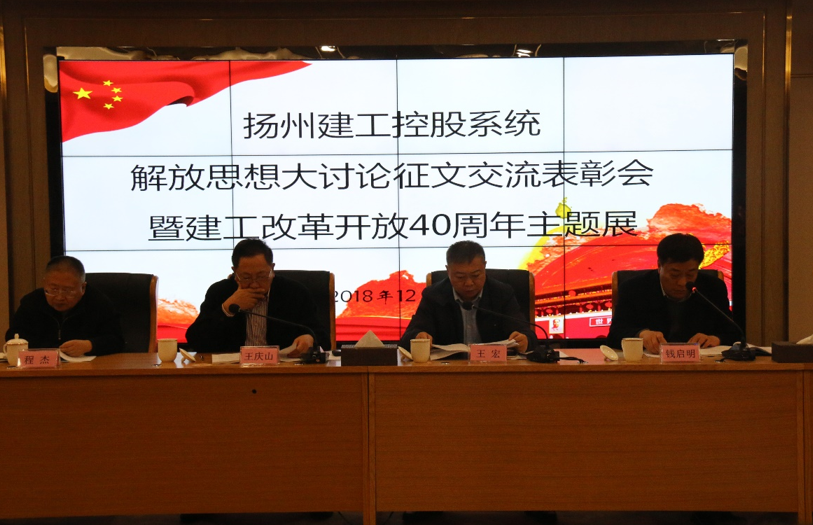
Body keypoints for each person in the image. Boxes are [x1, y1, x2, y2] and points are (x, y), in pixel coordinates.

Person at [186, 239, 328, 355]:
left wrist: (310, 338)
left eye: (261, 276)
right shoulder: (220, 292)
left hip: (282, 371)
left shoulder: (294, 292)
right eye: (246, 277)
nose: (254, 284)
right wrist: (227, 309)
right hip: (233, 372)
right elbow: (196, 341)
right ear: (235, 271)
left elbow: (323, 338)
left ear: (272, 269)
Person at [606, 233, 738, 353]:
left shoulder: (712, 287)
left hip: (701, 366)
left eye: (690, 274)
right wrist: (641, 334)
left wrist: (715, 339)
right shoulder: (634, 288)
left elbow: (734, 333)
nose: (682, 282)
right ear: (659, 266)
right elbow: (615, 335)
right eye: (674, 275)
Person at [399, 241, 537, 353]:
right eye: (460, 277)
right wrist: (417, 337)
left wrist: (525, 340)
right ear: (448, 271)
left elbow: (527, 334)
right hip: (448, 371)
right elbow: (406, 340)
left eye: (476, 275)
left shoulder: (502, 293)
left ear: (484, 266)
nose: (469, 283)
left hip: (494, 369)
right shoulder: (434, 296)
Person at [5, 255, 124, 356]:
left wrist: (89, 345)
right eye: (53, 289)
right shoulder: (32, 302)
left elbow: (117, 340)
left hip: (86, 368)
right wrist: (52, 349)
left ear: (83, 288)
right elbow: (13, 336)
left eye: (68, 291)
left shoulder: (98, 302)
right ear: (44, 283)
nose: (60, 297)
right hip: (42, 366)